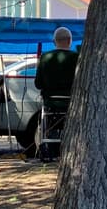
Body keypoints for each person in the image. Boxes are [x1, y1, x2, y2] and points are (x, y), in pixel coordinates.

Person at [34, 26, 79, 160]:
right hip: (72, 101)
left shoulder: (45, 57)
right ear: (70, 40)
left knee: (47, 118)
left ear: (54, 41)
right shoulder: (77, 57)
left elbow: (38, 84)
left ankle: (48, 148)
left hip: (50, 100)